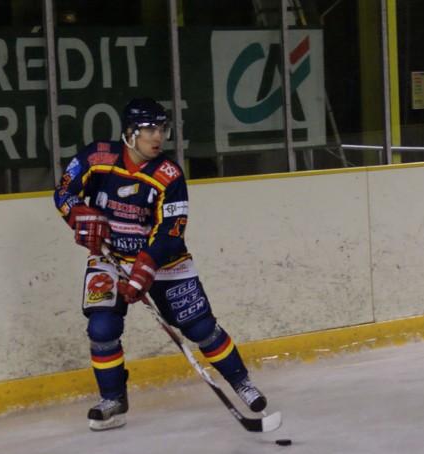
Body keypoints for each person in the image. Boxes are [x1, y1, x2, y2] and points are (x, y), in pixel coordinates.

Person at [53, 97, 268, 431]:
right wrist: (77, 214)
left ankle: (242, 382)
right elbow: (64, 192)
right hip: (111, 257)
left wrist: (144, 270)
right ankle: (113, 400)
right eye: (149, 129)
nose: (158, 137)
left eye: (162, 129)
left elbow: (171, 232)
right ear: (129, 133)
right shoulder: (96, 157)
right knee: (102, 328)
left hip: (164, 263)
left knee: (200, 327)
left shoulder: (170, 175)